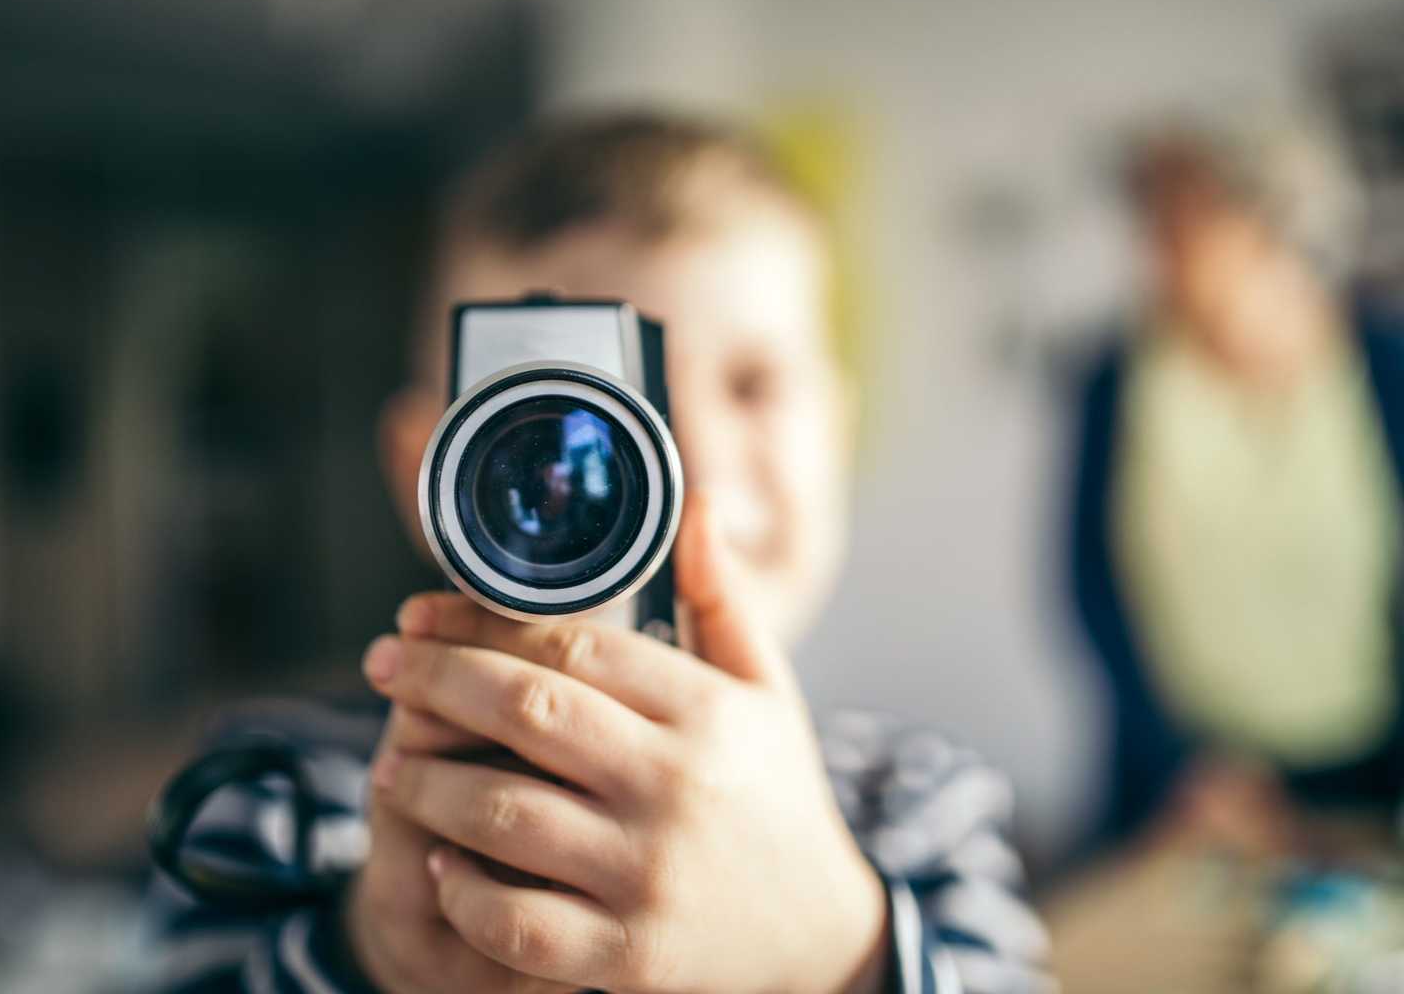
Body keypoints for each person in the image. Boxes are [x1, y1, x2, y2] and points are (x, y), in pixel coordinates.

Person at [148, 113, 1052, 994]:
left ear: (838, 432)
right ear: (428, 472)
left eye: (753, 384)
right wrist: (368, 960)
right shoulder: (275, 790)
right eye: (578, 408)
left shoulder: (921, 804)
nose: (685, 454)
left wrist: (840, 953)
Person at [1055, 105, 1404, 990]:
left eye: (1177, 225)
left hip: (1369, 776)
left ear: (1265, 230)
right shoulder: (1117, 375)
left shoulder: (1384, 363)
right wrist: (1185, 767)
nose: (1151, 253)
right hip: (1185, 792)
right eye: (1147, 227)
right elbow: (1088, 586)